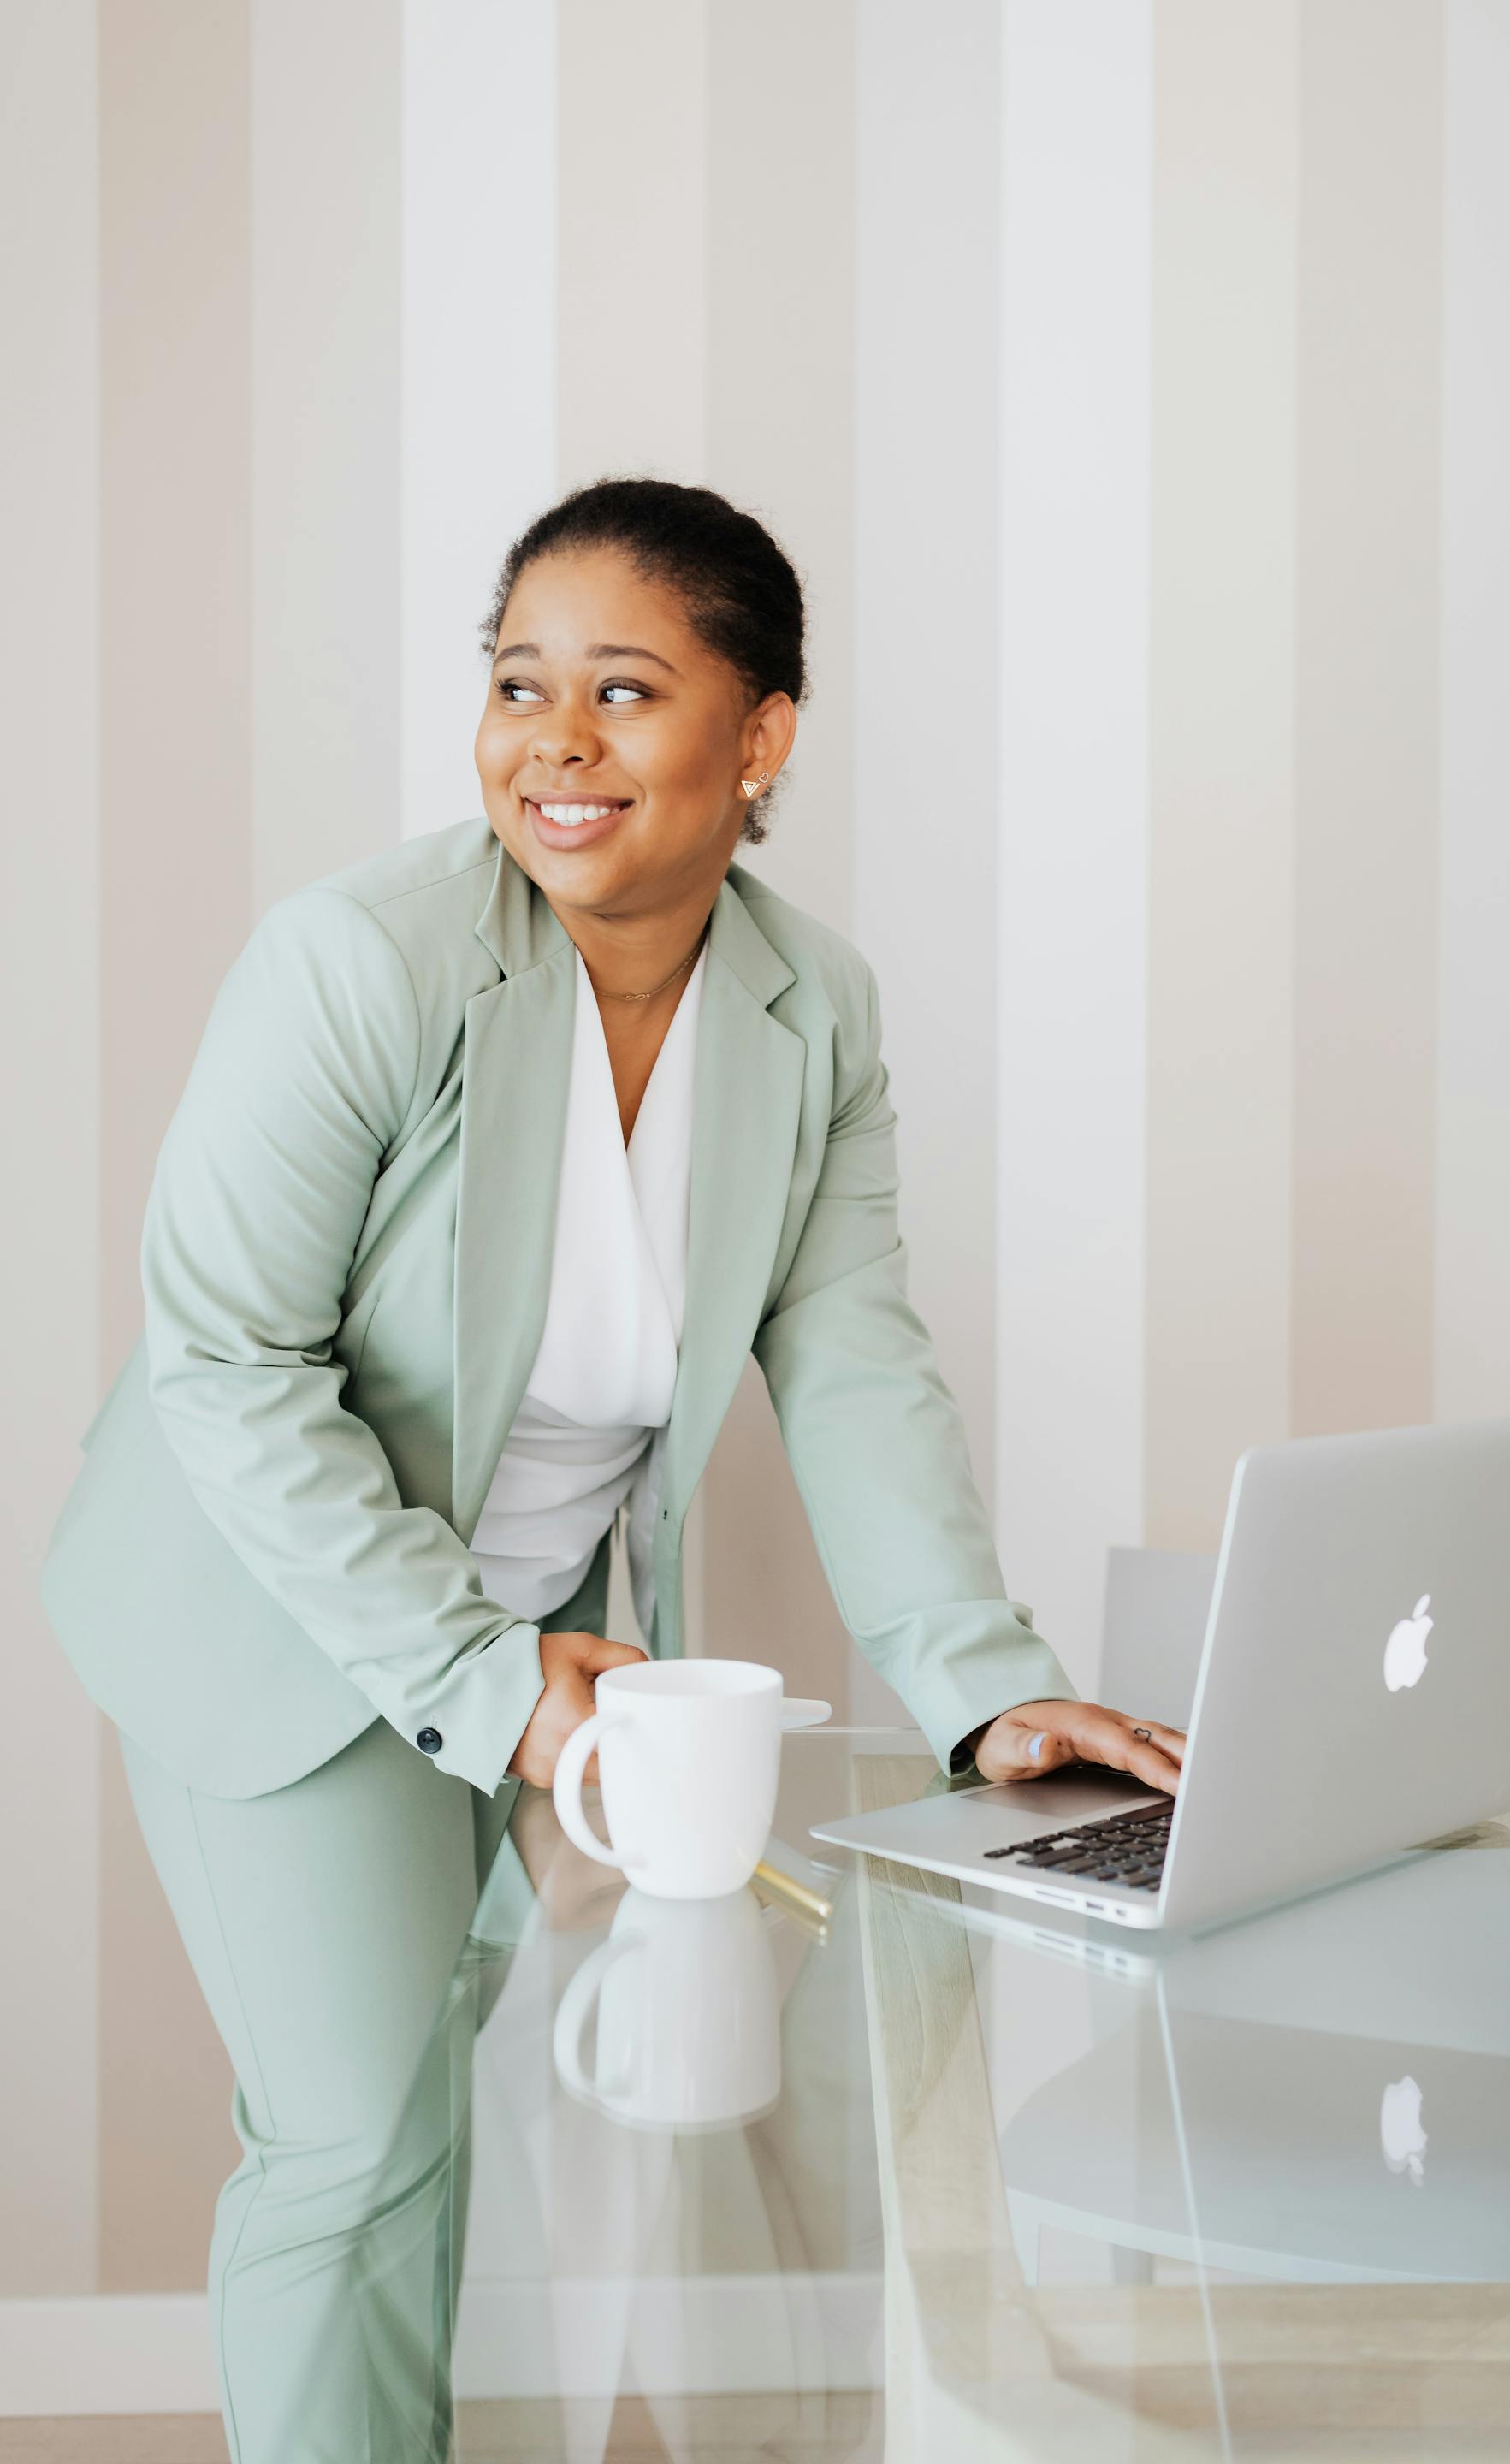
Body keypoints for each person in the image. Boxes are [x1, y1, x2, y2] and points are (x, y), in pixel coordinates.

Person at [40, 476, 1184, 2456]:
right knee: (356, 2143)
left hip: (539, 1614)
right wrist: (490, 1685)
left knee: (450, 2116)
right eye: (516, 683)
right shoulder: (358, 962)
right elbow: (228, 1366)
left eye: (624, 689)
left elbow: (852, 1366)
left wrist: (987, 1686)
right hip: (277, 1608)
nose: (551, 742)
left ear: (762, 740)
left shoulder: (807, 1004)